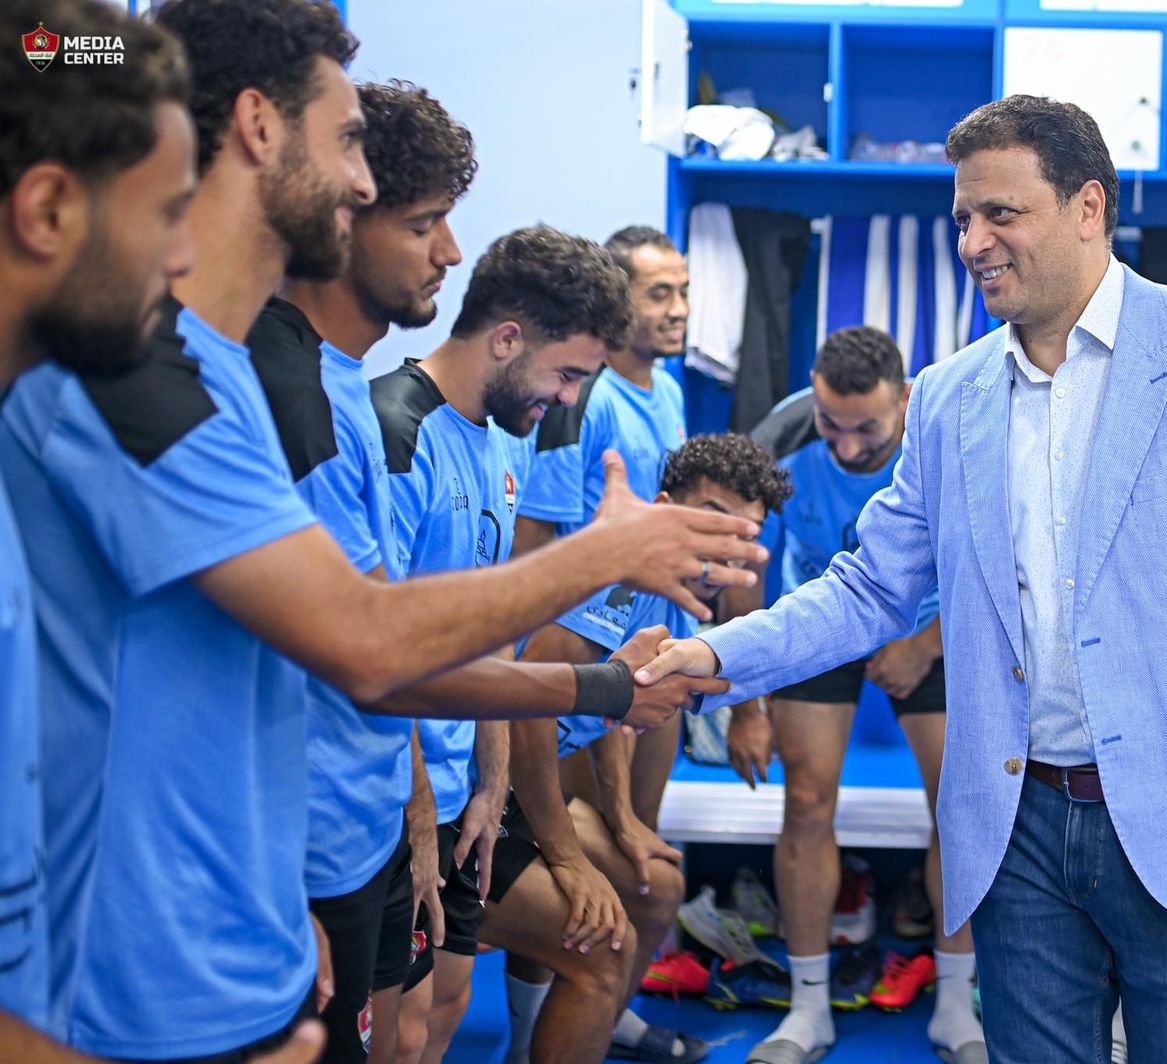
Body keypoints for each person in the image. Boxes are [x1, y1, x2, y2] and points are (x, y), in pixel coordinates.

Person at [0, 2, 758, 1058]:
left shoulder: (242, 373)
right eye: (350, 141)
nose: (364, 184)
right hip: (142, 983)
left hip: (244, 926)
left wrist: (284, 893)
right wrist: (608, 563)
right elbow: (366, 645)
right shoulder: (143, 383)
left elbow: (273, 677)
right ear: (259, 127)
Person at [637, 94, 1167, 1064]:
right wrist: (711, 653)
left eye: (1000, 213)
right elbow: (869, 587)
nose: (973, 242)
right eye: (963, 218)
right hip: (1013, 821)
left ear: (1087, 206)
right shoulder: (949, 397)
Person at [246, 88, 705, 1064]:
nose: (449, 251)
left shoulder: (479, 435)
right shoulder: (370, 417)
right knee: (402, 1031)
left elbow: (475, 630)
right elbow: (380, 646)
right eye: (425, 224)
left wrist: (489, 784)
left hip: (429, 796)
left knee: (433, 1019)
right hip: (350, 815)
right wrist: (425, 800)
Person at [0, 5, 333, 1063]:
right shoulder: (107, 390)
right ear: (49, 210)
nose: (181, 251)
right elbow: (362, 639)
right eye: (164, 212)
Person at [707, 325, 983, 1064]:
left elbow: (994, 560)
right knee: (804, 801)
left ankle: (956, 1006)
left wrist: (924, 645)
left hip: (928, 623)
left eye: (869, 429)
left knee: (959, 807)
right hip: (820, 617)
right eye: (833, 423)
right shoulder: (783, 435)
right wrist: (745, 703)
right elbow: (744, 566)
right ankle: (807, 1010)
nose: (849, 445)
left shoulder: (948, 432)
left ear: (906, 401)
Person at [494, 434, 791, 1064]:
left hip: (517, 788)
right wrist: (565, 854)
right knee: (599, 932)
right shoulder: (618, 583)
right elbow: (528, 715)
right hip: (482, 786)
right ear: (661, 508)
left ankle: (593, 1027)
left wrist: (622, 814)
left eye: (745, 531)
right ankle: (529, 1042)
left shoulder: (677, 597)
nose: (725, 541)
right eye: (711, 515)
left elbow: (605, 700)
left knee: (657, 889)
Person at [510, 224, 699, 1061]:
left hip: (655, 655)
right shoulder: (586, 401)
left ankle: (601, 1014)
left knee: (638, 852)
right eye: (659, 293)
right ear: (619, 302)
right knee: (573, 872)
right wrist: (535, 665)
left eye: (683, 290)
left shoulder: (670, 390)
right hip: (581, 665)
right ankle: (534, 1033)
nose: (679, 309)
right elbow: (534, 544)